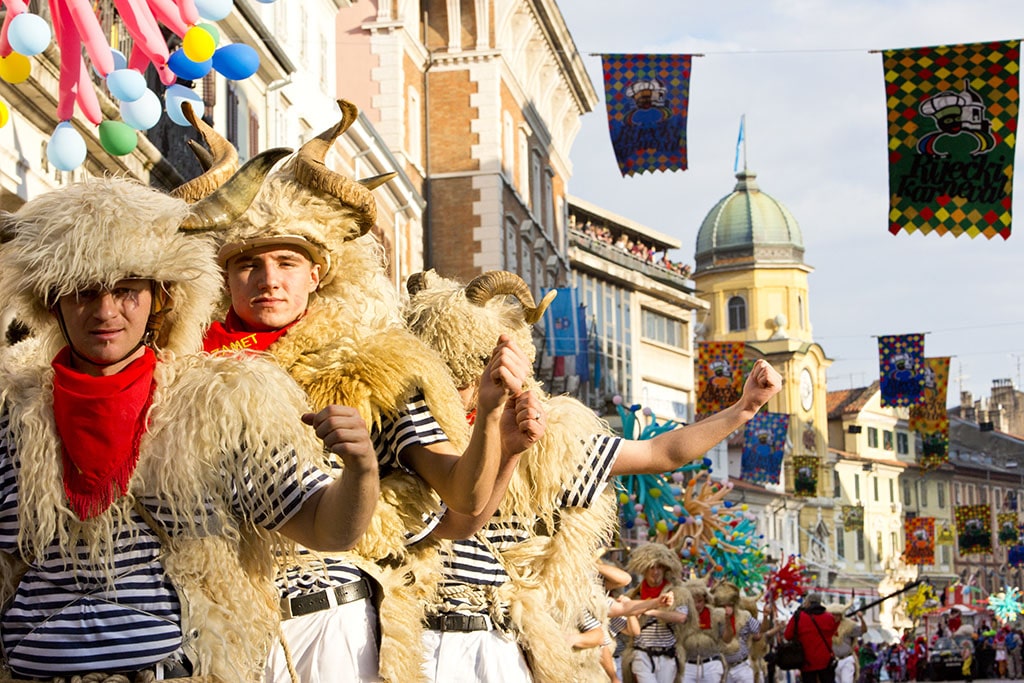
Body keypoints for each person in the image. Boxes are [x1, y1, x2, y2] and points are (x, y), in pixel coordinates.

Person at [193, 101, 542, 682]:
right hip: (217, 621)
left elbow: (458, 492)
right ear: (225, 277)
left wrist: (487, 422)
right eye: (248, 263)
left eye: (286, 261)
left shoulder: (373, 368)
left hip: (326, 624)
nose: (269, 279)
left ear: (318, 273)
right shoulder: (184, 374)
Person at [0, 168, 385, 680]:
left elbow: (325, 527)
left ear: (163, 297)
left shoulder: (221, 404)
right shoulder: (11, 413)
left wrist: (361, 470)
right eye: (83, 292)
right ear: (52, 302)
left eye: (127, 290)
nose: (106, 311)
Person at [404, 269, 783, 682]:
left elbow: (660, 451)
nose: (460, 382)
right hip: (418, 633)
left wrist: (744, 408)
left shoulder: (550, 439)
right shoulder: (414, 425)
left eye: (475, 365)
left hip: (498, 640)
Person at [621, 544, 689, 683]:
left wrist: (651, 610)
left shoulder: (677, 593)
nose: (655, 571)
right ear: (644, 570)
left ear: (665, 569)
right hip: (641, 653)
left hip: (667, 654)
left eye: (659, 567)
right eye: (651, 567)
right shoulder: (633, 595)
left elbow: (681, 617)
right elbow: (624, 628)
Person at [714, 582, 768, 683]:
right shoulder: (715, 619)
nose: (727, 609)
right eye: (723, 605)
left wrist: (765, 616)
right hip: (723, 668)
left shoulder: (745, 616)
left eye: (729, 605)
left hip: (742, 666)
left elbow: (760, 631)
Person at [783, 592, 841, 683]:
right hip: (825, 660)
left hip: (806, 661)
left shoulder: (799, 616)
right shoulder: (829, 617)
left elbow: (787, 636)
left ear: (808, 603)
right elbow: (834, 632)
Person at [831, 607, 867, 683]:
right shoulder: (828, 626)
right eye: (833, 614)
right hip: (834, 661)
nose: (835, 617)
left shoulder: (848, 626)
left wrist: (861, 619)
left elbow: (863, 630)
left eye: (837, 615)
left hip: (846, 659)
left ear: (841, 615)